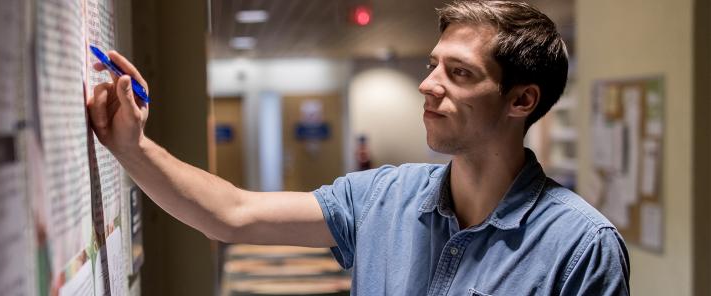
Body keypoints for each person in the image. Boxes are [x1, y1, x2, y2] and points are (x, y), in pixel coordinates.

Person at [86, 0, 630, 294]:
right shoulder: (383, 199)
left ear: (521, 100)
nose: (428, 84)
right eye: (431, 64)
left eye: (458, 72)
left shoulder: (580, 247)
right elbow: (233, 214)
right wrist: (132, 148)